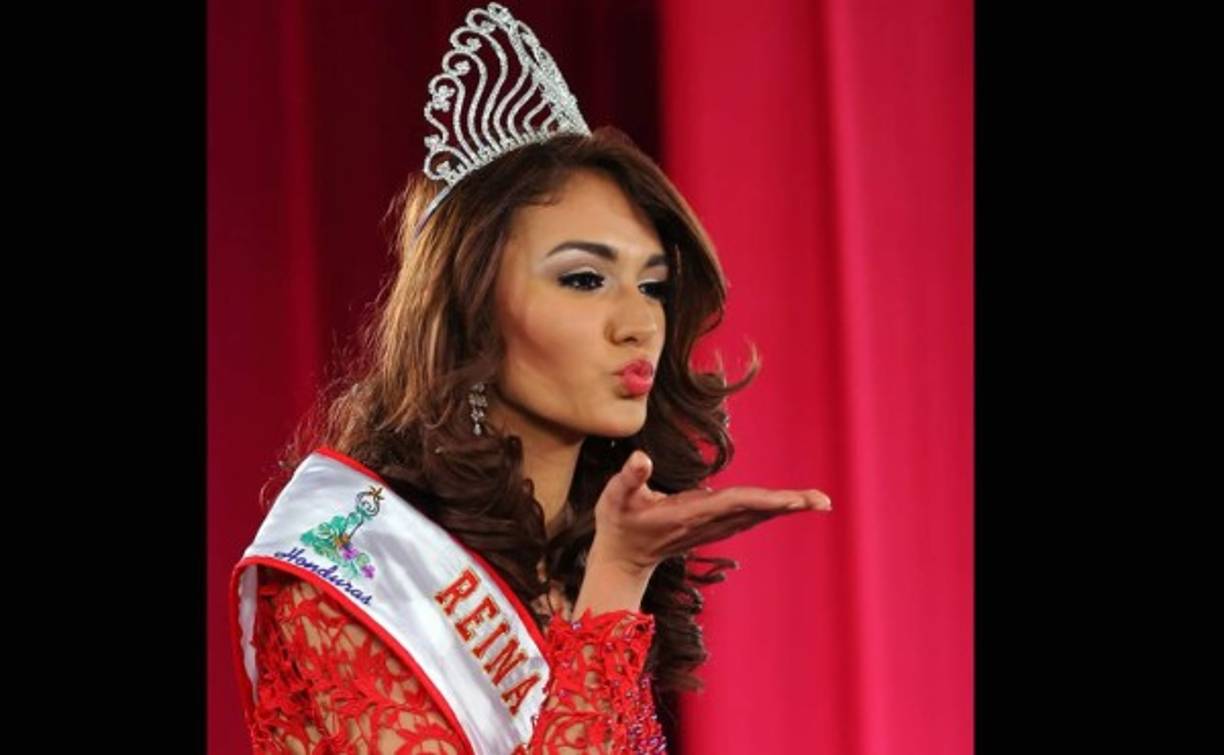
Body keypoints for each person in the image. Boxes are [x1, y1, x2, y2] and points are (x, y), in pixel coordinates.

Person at [229, 3, 832, 753]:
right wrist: (618, 576)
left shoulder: (577, 547)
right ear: (473, 310)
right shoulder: (357, 571)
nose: (639, 322)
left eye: (651, 285)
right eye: (583, 280)